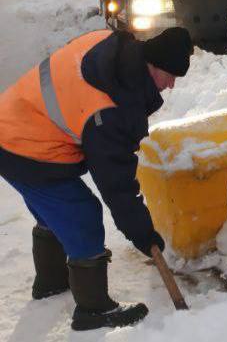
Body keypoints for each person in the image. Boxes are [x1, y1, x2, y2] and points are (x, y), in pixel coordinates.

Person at [0, 27, 194, 331]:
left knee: (54, 209)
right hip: (26, 145)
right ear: (150, 65)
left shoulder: (110, 46)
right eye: (169, 76)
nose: (170, 86)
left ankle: (50, 282)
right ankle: (93, 309)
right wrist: (142, 233)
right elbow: (116, 185)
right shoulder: (109, 108)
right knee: (80, 213)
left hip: (13, 122)